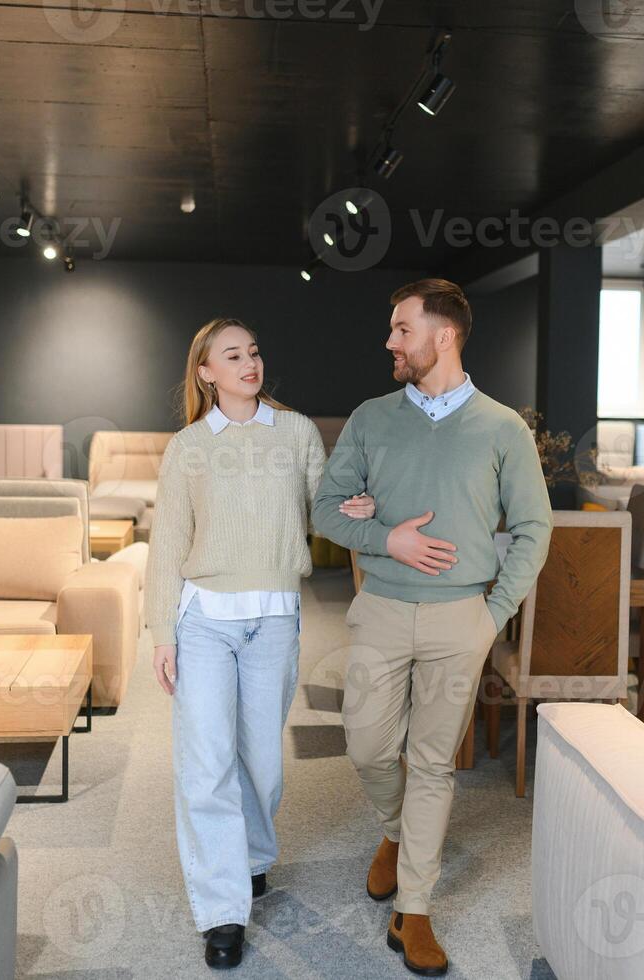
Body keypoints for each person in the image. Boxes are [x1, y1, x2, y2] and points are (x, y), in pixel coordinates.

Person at [312, 278, 552, 976]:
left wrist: (491, 616)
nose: (390, 341)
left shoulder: (502, 427)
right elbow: (324, 510)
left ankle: (413, 908)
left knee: (432, 763)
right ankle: (393, 832)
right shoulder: (370, 417)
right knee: (365, 745)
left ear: (441, 336)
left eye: (400, 329)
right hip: (382, 608)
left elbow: (534, 530)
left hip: (462, 616)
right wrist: (388, 540)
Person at [146, 316, 372, 969]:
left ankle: (248, 857)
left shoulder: (295, 431)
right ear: (206, 373)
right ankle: (222, 912)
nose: (249, 362)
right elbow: (166, 546)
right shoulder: (187, 446)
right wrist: (163, 631)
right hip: (204, 621)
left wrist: (354, 509)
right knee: (207, 763)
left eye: (253, 352)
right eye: (231, 355)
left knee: (262, 764)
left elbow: (322, 507)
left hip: (273, 618)